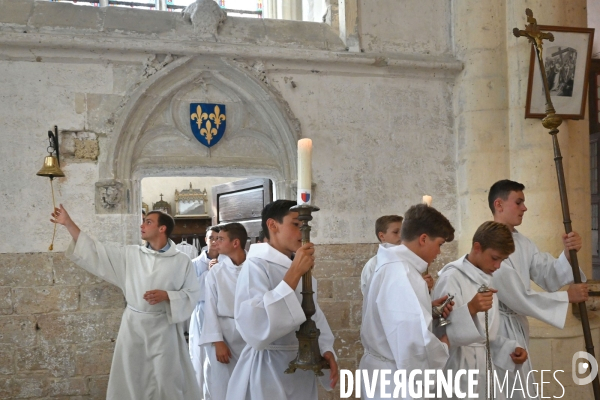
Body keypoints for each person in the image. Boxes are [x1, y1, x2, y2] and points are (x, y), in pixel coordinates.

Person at [51, 205, 202, 400]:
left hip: (164, 328)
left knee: (166, 378)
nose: (142, 225)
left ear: (162, 228)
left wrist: (167, 296)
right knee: (133, 377)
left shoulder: (182, 261)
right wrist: (68, 224)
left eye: (148, 222)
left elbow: (192, 293)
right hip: (134, 327)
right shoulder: (131, 255)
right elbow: (97, 252)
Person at [226, 200, 338, 400]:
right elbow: (255, 324)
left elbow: (313, 313)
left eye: (305, 225)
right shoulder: (256, 266)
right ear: (272, 225)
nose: (303, 232)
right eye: (296, 225)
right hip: (270, 366)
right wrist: (294, 273)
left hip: (301, 366)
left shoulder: (292, 263)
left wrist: (325, 348)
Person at [488, 179, 589, 399]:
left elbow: (548, 274)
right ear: (499, 205)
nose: (524, 208)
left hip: (517, 328)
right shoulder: (489, 243)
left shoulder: (523, 242)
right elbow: (518, 297)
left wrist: (567, 252)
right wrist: (565, 298)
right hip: (500, 330)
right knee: (506, 390)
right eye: (519, 202)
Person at [359, 204, 454, 399]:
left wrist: (427, 308)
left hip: (382, 372)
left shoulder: (390, 265)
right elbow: (413, 344)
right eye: (440, 244)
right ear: (424, 239)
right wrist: (443, 346)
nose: (439, 252)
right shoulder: (403, 273)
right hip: (395, 382)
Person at [434, 221, 527, 400]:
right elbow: (442, 331)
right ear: (477, 247)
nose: (498, 266)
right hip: (457, 369)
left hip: (484, 370)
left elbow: (484, 337)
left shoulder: (486, 278)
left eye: (502, 260)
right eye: (495, 258)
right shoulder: (451, 278)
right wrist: (470, 309)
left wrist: (510, 348)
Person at [199, 223, 248, 399]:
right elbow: (210, 307)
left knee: (250, 385)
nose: (215, 242)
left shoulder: (256, 267)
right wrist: (217, 341)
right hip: (225, 336)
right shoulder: (216, 272)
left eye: (220, 239)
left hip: (252, 334)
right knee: (221, 385)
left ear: (235, 243)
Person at [360, 215, 433, 296]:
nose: (401, 236)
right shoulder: (374, 265)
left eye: (402, 232)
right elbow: (379, 298)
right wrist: (417, 287)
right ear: (382, 236)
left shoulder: (409, 261)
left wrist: (425, 289)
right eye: (395, 232)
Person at [189, 226, 222, 391]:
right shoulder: (194, 263)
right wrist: (209, 273)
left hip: (221, 313)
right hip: (202, 312)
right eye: (212, 238)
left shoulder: (227, 261)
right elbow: (193, 292)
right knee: (201, 356)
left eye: (218, 238)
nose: (215, 242)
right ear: (206, 240)